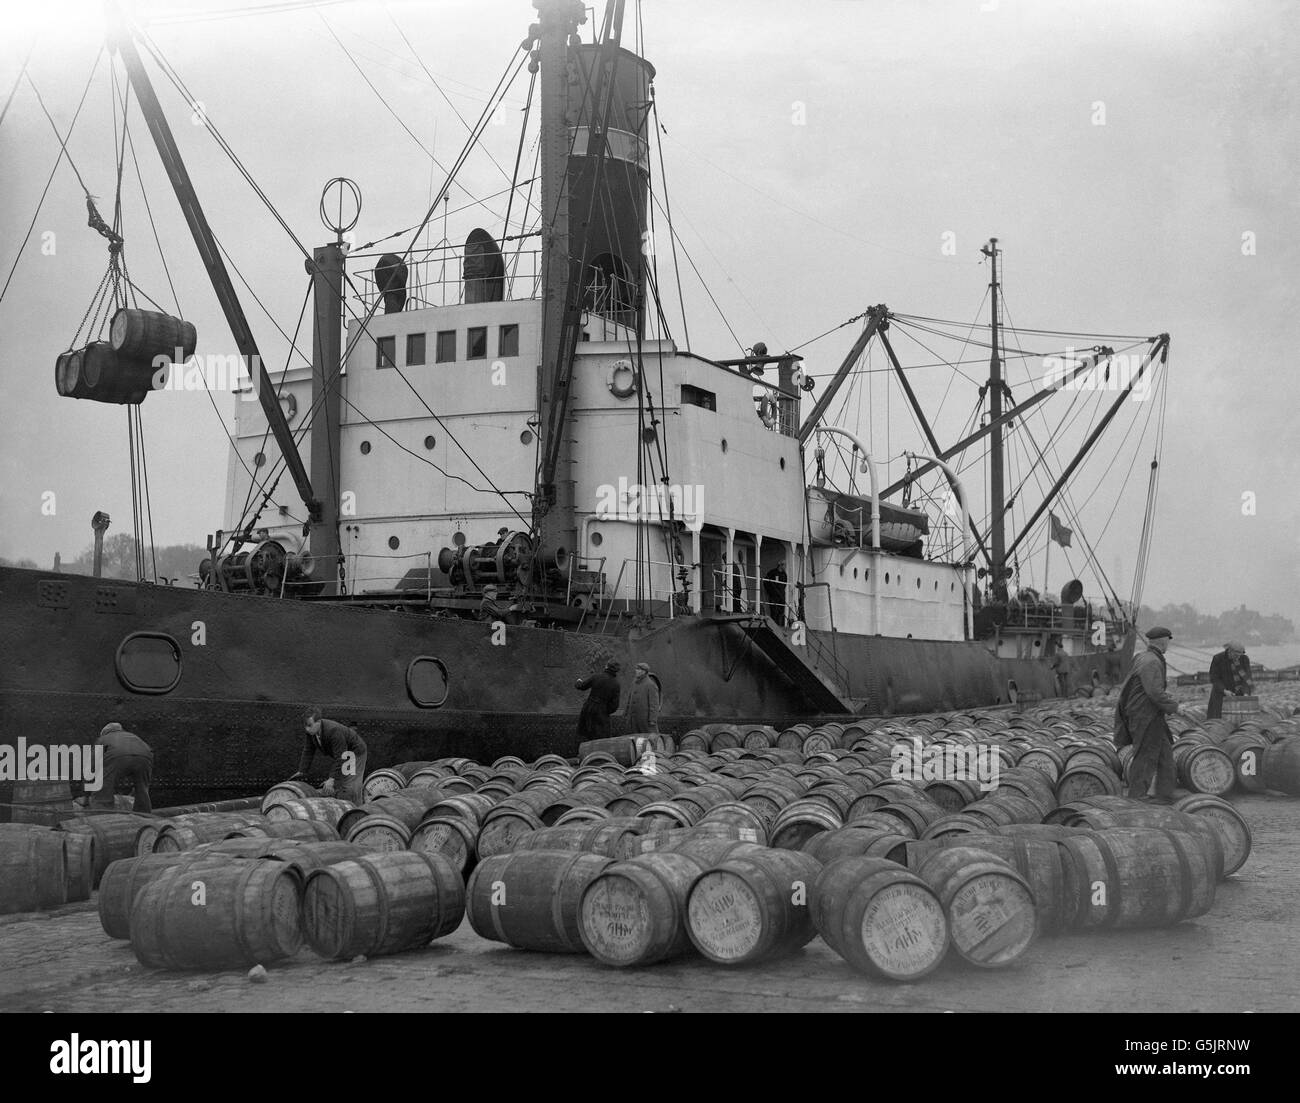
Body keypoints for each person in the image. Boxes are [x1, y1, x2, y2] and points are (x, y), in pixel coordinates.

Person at [1113, 626, 1181, 803]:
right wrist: (1173, 706)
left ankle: (1165, 796)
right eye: (1167, 640)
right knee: (1146, 757)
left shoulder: (1143, 657)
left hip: (1149, 714)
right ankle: (1137, 797)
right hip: (1146, 716)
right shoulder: (1151, 661)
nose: (1168, 644)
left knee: (1165, 755)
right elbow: (1154, 692)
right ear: (1163, 641)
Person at [290, 707, 368, 804]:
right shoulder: (311, 732)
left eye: (309, 725)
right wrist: (302, 770)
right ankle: (340, 804)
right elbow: (308, 750)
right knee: (340, 781)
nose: (307, 729)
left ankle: (357, 809)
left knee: (351, 784)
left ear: (318, 722)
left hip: (354, 751)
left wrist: (331, 779)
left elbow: (341, 757)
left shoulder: (333, 731)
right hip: (344, 753)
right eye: (305, 725)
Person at [90, 722, 153, 814]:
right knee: (142, 789)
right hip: (146, 756)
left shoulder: (102, 739)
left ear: (105, 733)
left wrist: (87, 794)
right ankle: (143, 815)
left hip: (118, 756)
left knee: (102, 788)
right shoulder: (132, 736)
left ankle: (104, 816)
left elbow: (92, 766)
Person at [575, 660, 621, 742]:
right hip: (602, 712)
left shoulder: (596, 676)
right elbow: (614, 705)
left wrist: (578, 682)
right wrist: (605, 710)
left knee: (587, 734)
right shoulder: (616, 684)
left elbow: (582, 686)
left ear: (606, 666)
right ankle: (598, 753)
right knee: (601, 737)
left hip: (589, 708)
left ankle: (585, 751)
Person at [1208, 641, 1252, 719]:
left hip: (1238, 692)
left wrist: (1246, 693)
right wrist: (1224, 690)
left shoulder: (1244, 659)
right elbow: (1214, 678)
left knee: (1239, 719)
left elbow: (1247, 677)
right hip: (1221, 692)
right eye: (1236, 655)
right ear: (1229, 652)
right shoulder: (1218, 659)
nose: (1237, 658)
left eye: (1240, 655)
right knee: (1217, 718)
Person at [625, 662, 660, 732]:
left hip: (645, 721)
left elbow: (654, 704)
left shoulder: (651, 685)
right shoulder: (634, 683)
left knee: (647, 740)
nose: (636, 671)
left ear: (644, 672)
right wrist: (626, 712)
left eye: (639, 669)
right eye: (636, 669)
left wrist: (652, 720)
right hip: (633, 719)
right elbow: (629, 699)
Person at [763, 560, 788, 627]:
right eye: (785, 565)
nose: (785, 567)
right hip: (774, 596)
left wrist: (781, 591)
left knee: (781, 611)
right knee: (774, 611)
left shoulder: (784, 574)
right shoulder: (772, 573)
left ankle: (781, 626)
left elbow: (784, 584)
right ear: (781, 565)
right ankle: (774, 626)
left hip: (781, 596)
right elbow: (765, 582)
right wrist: (770, 591)